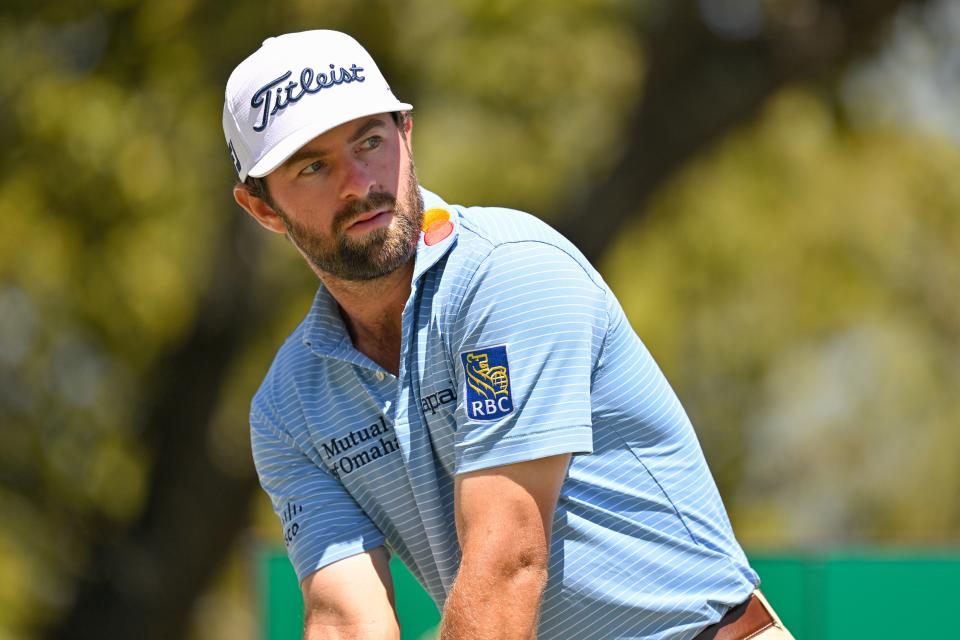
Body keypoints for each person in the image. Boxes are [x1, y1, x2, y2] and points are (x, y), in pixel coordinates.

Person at [223, 29, 795, 640]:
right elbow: (346, 620)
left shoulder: (508, 276)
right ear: (262, 209)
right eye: (314, 166)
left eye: (370, 141)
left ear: (406, 135)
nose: (359, 183)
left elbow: (508, 564)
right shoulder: (289, 407)